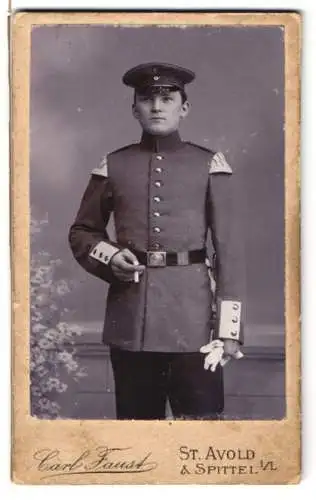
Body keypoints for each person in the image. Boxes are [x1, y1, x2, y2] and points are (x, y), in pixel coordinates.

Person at [69, 62, 243, 420]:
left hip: (194, 324)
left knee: (199, 432)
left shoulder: (209, 164)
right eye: (147, 99)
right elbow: (83, 232)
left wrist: (229, 330)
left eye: (167, 98)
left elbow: (230, 254)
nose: (158, 106)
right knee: (137, 431)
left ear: (184, 107)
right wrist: (110, 256)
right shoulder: (113, 165)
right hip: (130, 321)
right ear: (135, 109)